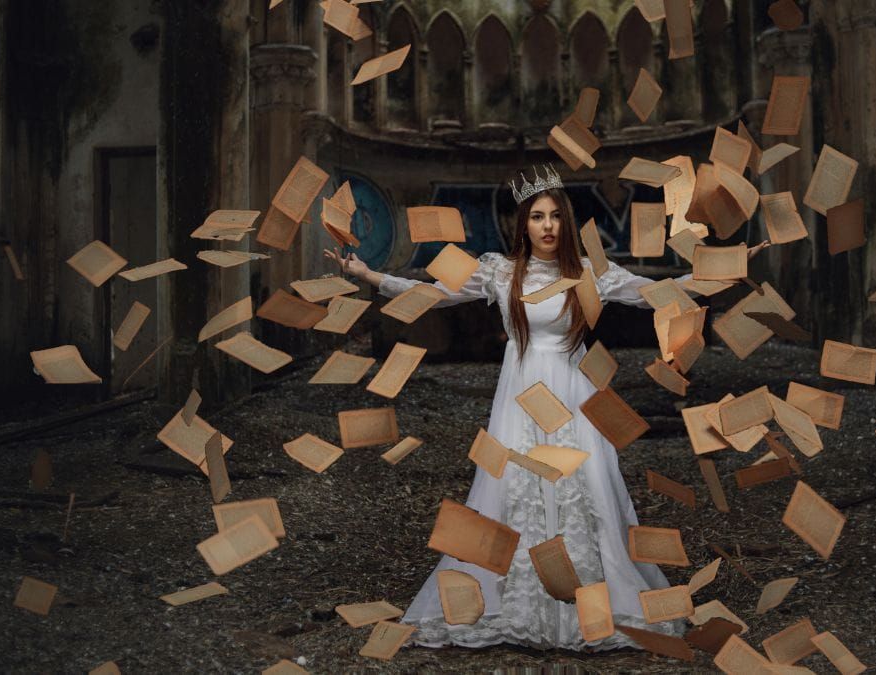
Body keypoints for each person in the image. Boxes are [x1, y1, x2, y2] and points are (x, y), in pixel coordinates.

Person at [325, 166, 769, 651]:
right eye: (538, 216)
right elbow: (433, 294)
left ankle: (589, 604)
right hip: (520, 394)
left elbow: (658, 293)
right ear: (524, 224)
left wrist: (728, 267)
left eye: (556, 216)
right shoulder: (500, 271)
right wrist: (368, 274)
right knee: (512, 489)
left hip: (574, 394)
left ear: (567, 221)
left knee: (588, 487)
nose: (548, 225)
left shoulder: (590, 272)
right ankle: (516, 602)